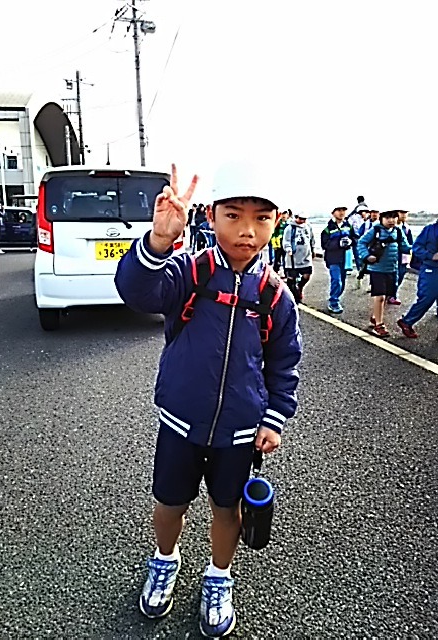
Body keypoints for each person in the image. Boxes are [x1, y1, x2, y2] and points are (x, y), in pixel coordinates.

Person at [115, 162, 302, 638]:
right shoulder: (189, 271)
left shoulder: (275, 295)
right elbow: (136, 292)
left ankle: (219, 576)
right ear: (211, 215)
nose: (247, 230)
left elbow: (284, 365)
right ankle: (165, 560)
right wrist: (159, 241)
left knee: (227, 507)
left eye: (261, 218)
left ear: (276, 221)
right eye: (233, 215)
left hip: (240, 430)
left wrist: (275, 418)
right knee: (169, 502)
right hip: (180, 420)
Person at [357, 210, 411, 337]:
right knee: (380, 297)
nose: (391, 220)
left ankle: (375, 317)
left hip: (392, 269)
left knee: (386, 296)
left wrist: (422, 249)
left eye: (393, 217)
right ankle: (379, 325)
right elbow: (361, 243)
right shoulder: (376, 230)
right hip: (377, 269)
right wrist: (367, 256)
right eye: (387, 218)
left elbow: (405, 247)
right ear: (381, 219)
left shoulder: (398, 231)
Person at [397, 219, 438, 338]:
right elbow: (416, 248)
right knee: (426, 297)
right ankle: (407, 321)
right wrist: (431, 256)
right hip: (431, 268)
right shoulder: (429, 229)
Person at [321, 206, 355, 313]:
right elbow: (325, 245)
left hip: (345, 258)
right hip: (333, 259)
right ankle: (333, 302)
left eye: (343, 210)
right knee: (336, 280)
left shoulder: (348, 226)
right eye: (339, 210)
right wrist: (338, 243)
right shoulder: (328, 229)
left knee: (343, 282)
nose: (342, 213)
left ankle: (336, 297)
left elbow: (355, 238)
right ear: (333, 213)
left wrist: (350, 241)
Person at [282, 211, 315, 303]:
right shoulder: (289, 228)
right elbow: (286, 241)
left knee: (307, 275)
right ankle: (293, 296)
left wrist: (313, 249)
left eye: (304, 219)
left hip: (306, 256)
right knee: (291, 278)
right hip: (293, 258)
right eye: (301, 219)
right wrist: (288, 249)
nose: (302, 221)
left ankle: (300, 286)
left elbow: (311, 239)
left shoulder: (308, 227)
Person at [387, 210, 413, 305]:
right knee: (390, 276)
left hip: (403, 256)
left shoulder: (406, 228)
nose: (404, 215)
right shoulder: (390, 227)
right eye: (402, 212)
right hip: (391, 255)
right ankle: (389, 294)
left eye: (405, 213)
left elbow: (410, 243)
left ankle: (392, 294)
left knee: (401, 275)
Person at [347, 196, 369, 270]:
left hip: (361, 238)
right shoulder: (355, 216)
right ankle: (360, 269)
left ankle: (362, 269)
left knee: (361, 254)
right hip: (357, 237)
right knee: (358, 254)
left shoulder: (357, 210)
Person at [271, 209, 290, 273]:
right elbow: (273, 233)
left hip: (286, 244)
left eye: (285, 215)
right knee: (277, 259)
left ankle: (286, 272)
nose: (284, 216)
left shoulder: (289, 224)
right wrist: (274, 244)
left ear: (287, 215)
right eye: (283, 215)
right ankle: (275, 271)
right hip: (278, 244)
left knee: (286, 259)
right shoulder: (278, 223)